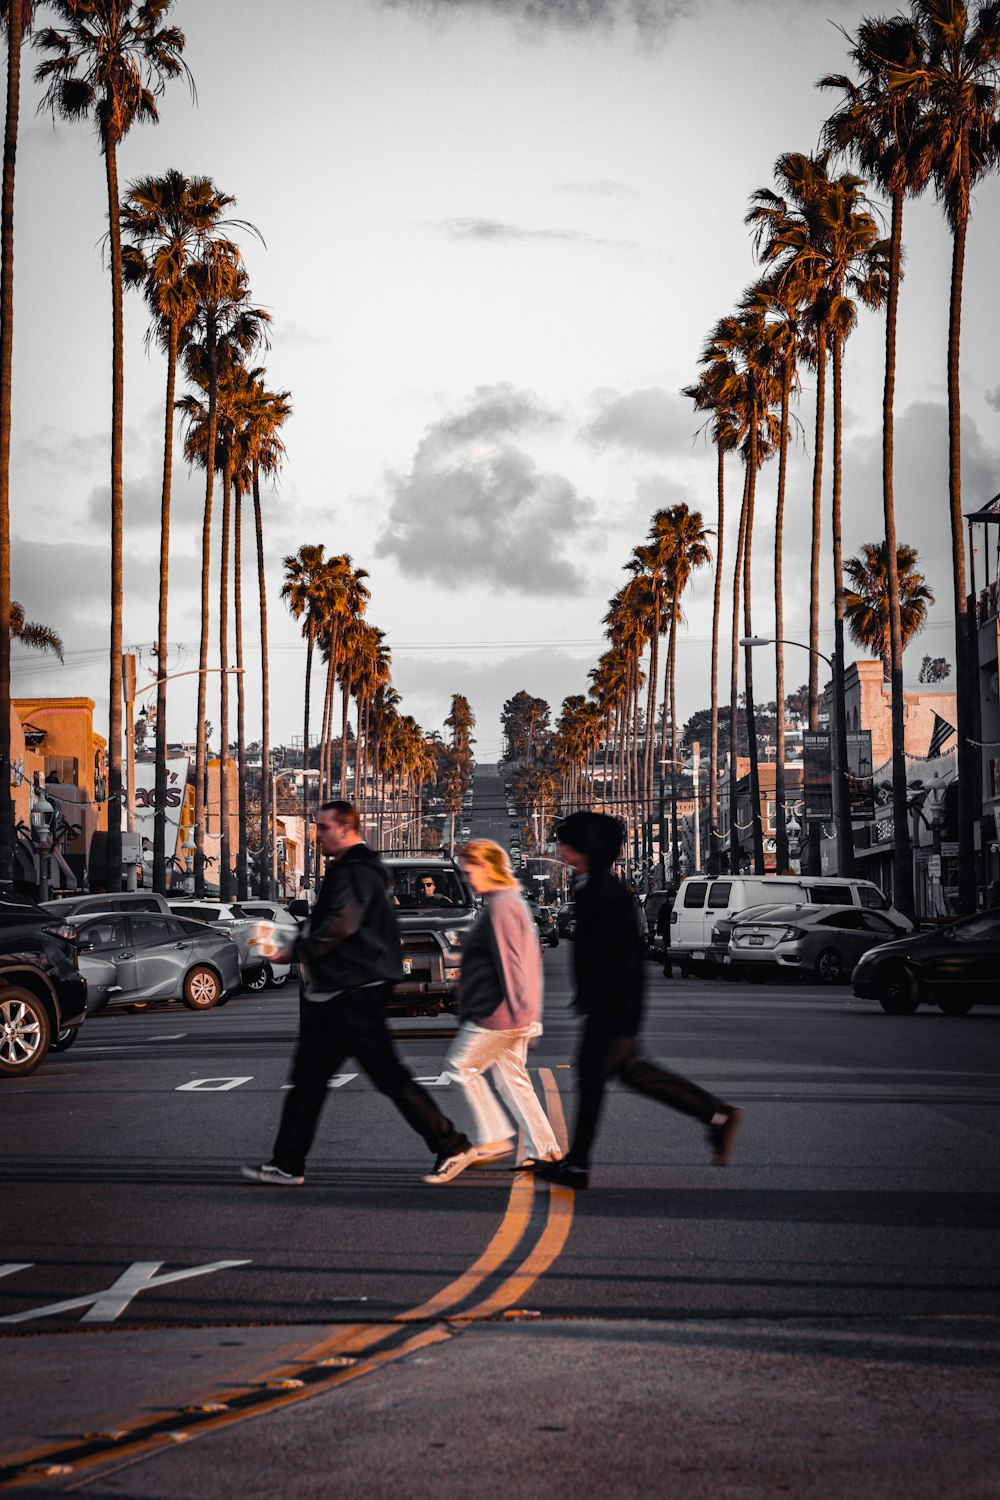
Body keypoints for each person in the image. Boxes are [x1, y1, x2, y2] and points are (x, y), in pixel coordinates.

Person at [242, 800, 477, 1188]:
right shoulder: (363, 869)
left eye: (322, 828)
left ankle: (452, 1145)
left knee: (373, 1077)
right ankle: (287, 1163)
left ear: (346, 829)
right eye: (315, 828)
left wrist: (295, 950)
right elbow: (331, 924)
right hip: (345, 991)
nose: (317, 836)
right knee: (313, 1079)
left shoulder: (353, 871)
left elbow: (339, 925)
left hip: (353, 992)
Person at [537, 811, 741, 1191]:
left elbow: (626, 962)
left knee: (595, 1076)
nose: (559, 849)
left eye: (565, 842)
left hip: (613, 1008)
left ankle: (578, 1166)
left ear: (584, 846)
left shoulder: (604, 893)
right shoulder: (592, 886)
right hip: (607, 1005)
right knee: (629, 1074)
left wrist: (620, 1015)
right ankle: (716, 1115)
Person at [439, 840, 560, 1178]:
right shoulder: (506, 903)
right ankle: (546, 1150)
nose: (465, 877)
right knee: (513, 1081)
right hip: (512, 1011)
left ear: (488, 866)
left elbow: (514, 965)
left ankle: (493, 1138)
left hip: (500, 1013)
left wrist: (523, 1012)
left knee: (461, 1066)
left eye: (469, 869)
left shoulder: (503, 906)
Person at [656, 886, 676, 978]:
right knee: (667, 952)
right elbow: (660, 920)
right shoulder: (664, 907)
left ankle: (684, 970)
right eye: (670, 897)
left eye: (673, 897)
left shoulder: (677, 907)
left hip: (676, 933)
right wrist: (660, 931)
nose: (672, 899)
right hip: (667, 932)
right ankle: (668, 970)